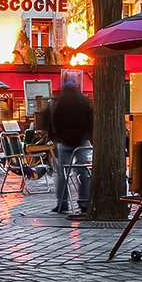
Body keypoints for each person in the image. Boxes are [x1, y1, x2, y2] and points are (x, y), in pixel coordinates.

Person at [47, 83, 94, 217]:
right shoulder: (83, 100)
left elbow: (52, 119)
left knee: (62, 174)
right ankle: (84, 202)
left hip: (64, 141)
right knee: (83, 172)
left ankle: (62, 203)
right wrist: (87, 136)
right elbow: (90, 119)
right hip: (81, 140)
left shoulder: (59, 100)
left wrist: (56, 137)